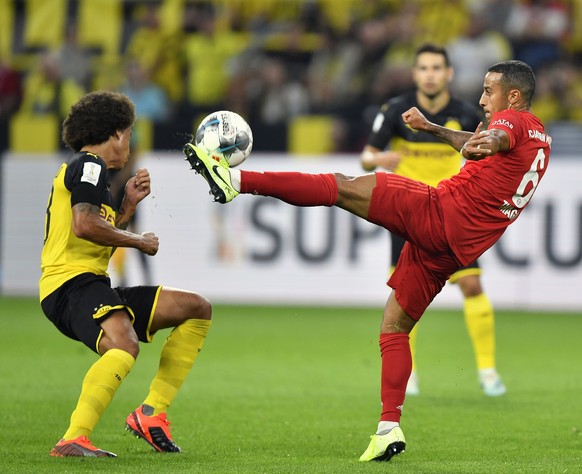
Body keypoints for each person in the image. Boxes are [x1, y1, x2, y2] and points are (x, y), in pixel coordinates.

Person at [184, 60, 550, 462]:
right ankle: (387, 428)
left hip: (439, 213)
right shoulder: (538, 139)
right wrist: (433, 129)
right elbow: (484, 142)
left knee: (340, 186)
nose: (482, 99)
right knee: (394, 326)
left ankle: (234, 181)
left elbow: (496, 137)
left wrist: (488, 140)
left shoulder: (512, 123)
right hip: (453, 249)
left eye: (488, 91)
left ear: (513, 97)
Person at [40, 91, 212, 457]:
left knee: (195, 308)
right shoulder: (89, 165)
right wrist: (138, 240)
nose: (130, 146)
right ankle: (73, 437)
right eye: (130, 135)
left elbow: (93, 231)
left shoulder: (91, 174)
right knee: (124, 344)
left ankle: (151, 415)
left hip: (91, 282)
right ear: (115, 133)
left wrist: (127, 207)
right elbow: (85, 226)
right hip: (69, 285)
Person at [360, 43, 506, 397]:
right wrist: (382, 157)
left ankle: (488, 371)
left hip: (450, 212)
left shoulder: (466, 112)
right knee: (404, 299)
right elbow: (366, 157)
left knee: (472, 286)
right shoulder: (395, 110)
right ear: (415, 74)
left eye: (436, 68)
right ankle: (408, 375)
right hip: (407, 215)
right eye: (423, 68)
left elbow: (486, 155)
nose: (430, 74)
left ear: (448, 74)